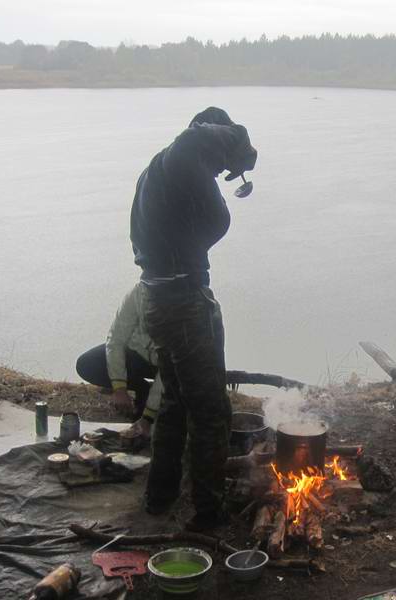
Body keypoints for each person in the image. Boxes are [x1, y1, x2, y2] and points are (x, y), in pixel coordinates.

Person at [130, 106, 257, 531]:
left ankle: (160, 495)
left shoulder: (158, 175)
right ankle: (207, 513)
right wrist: (242, 151)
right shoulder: (184, 151)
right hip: (182, 303)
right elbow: (211, 136)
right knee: (211, 410)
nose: (221, 171)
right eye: (220, 165)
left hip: (161, 297)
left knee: (174, 401)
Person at [75, 282, 161, 439]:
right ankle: (143, 389)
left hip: (171, 365)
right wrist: (119, 388)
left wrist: (148, 416)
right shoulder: (139, 292)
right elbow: (115, 340)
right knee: (87, 364)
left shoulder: (186, 304)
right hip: (139, 352)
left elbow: (168, 370)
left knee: (156, 424)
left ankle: (158, 402)